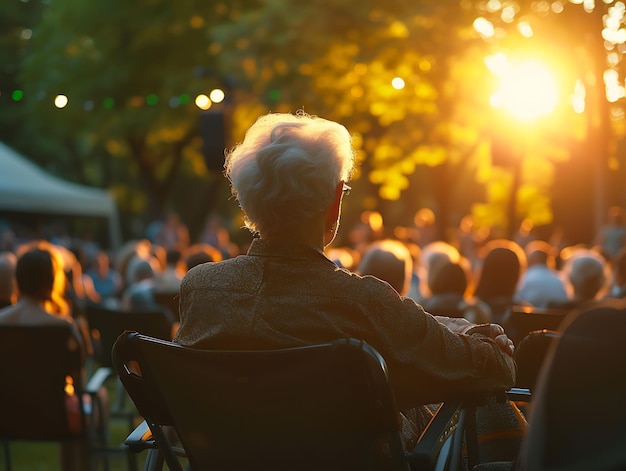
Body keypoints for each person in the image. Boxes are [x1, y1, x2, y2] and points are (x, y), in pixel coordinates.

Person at [172, 111, 515, 450]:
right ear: (335, 201)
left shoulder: (201, 290)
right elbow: (496, 370)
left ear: (247, 201)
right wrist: (473, 335)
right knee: (497, 412)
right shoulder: (361, 302)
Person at [0, 246, 106, 471]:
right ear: (51, 281)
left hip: (6, 417)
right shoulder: (63, 327)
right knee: (98, 397)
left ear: (18, 279)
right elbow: (78, 383)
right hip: (57, 420)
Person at [515, 240, 568, 308]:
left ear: (529, 260)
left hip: (529, 317)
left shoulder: (524, 279)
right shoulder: (561, 280)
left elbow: (516, 300)